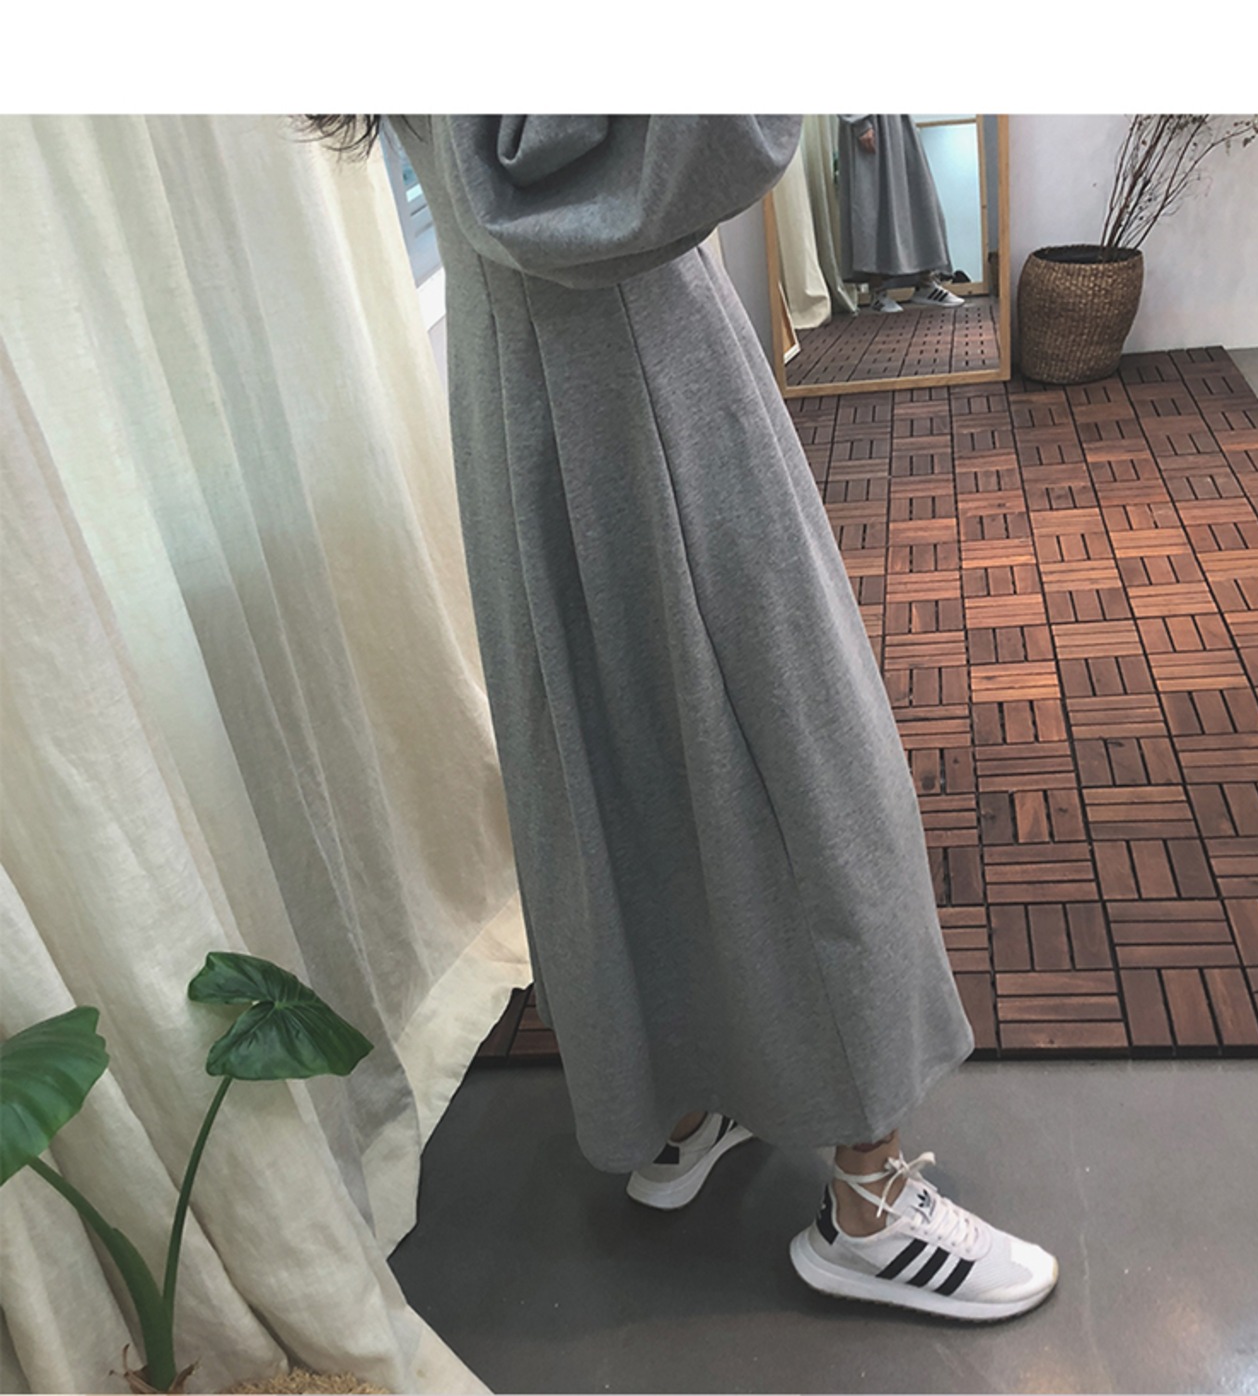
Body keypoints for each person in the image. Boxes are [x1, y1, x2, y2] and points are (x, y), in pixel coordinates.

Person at [301, 114, 1058, 1322]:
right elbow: (572, 169)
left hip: (535, 385)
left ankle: (701, 1083)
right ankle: (866, 1204)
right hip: (631, 373)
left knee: (628, 756)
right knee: (799, 763)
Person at [836, 114, 966, 313]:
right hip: (870, 121)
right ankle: (877, 290)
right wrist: (860, 122)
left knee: (919, 195)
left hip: (898, 121)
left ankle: (926, 282)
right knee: (872, 201)